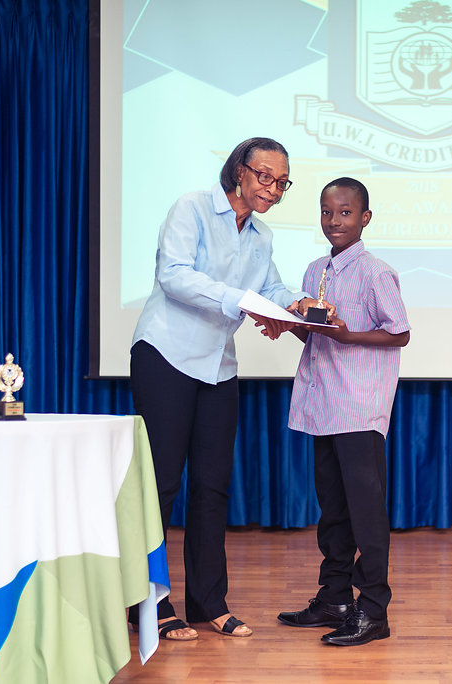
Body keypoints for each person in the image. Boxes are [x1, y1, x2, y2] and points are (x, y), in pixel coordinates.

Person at [129, 137, 317, 640]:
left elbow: (269, 288)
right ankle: (148, 601)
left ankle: (208, 602)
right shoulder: (192, 208)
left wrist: (297, 305)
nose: (273, 189)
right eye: (265, 176)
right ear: (239, 171)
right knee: (160, 485)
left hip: (218, 365)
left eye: (282, 182)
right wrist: (244, 301)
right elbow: (174, 276)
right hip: (166, 355)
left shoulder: (261, 235)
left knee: (212, 487)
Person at [273, 177, 410, 646]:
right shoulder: (316, 269)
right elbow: (316, 333)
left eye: (346, 212)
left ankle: (373, 611)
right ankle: (334, 598)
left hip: (358, 404)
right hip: (323, 402)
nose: (335, 221)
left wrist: (348, 335)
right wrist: (288, 324)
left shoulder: (376, 273)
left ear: (365, 218)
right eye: (327, 212)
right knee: (333, 510)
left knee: (365, 513)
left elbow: (399, 333)